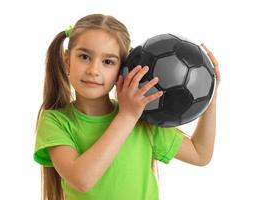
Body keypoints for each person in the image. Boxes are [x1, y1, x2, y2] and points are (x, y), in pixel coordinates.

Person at [33, 13, 221, 200]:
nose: (93, 70)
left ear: (123, 68)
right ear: (67, 61)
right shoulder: (55, 122)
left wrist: (208, 95)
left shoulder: (143, 119)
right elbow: (82, 179)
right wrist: (127, 117)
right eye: (84, 57)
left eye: (108, 62)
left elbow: (200, 154)